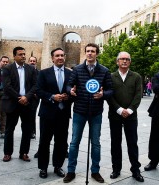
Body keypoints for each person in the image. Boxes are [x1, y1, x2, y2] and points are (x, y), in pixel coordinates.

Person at [63, 43, 113, 183]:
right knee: (74, 142)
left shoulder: (104, 71)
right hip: (80, 110)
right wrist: (70, 91)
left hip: (96, 112)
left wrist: (103, 94)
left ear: (97, 53)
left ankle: (95, 171)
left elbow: (110, 90)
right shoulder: (77, 69)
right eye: (88, 51)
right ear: (85, 53)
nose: (90, 53)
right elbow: (69, 85)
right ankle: (71, 170)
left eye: (93, 51)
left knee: (95, 143)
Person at [107, 51, 144, 182]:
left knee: (132, 143)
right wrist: (119, 109)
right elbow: (109, 95)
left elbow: (138, 95)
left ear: (130, 62)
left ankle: (135, 170)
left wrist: (129, 110)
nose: (124, 61)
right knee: (115, 143)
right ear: (117, 61)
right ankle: (116, 169)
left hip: (131, 116)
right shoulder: (111, 76)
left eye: (127, 59)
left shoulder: (136, 76)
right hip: (115, 115)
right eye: (122, 59)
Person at [37, 48, 72, 179]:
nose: (60, 58)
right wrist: (52, 96)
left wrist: (68, 97)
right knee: (44, 142)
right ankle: (43, 168)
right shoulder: (44, 73)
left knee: (61, 141)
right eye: (57, 56)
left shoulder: (70, 74)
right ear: (52, 58)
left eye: (62, 55)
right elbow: (39, 91)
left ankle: (58, 166)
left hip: (63, 113)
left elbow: (74, 92)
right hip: (47, 113)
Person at [1, 46, 37, 162]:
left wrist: (27, 97)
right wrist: (19, 97)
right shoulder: (8, 69)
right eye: (20, 54)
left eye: (24, 54)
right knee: (9, 129)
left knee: (27, 129)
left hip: (27, 103)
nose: (23, 56)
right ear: (14, 56)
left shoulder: (31, 69)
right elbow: (7, 86)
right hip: (13, 103)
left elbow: (35, 85)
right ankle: (7, 153)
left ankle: (24, 153)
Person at [0, 56, 9, 138]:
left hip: (5, 95)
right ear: (0, 61)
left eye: (6, 62)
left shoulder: (9, 72)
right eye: (3, 61)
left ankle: (3, 131)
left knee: (4, 114)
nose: (5, 63)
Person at [28, 56, 39, 139]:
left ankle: (32, 132)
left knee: (32, 114)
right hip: (26, 97)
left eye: (34, 61)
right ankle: (26, 130)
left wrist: (37, 93)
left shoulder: (39, 73)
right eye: (31, 61)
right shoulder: (25, 72)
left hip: (35, 97)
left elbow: (41, 85)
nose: (32, 62)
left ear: (36, 62)